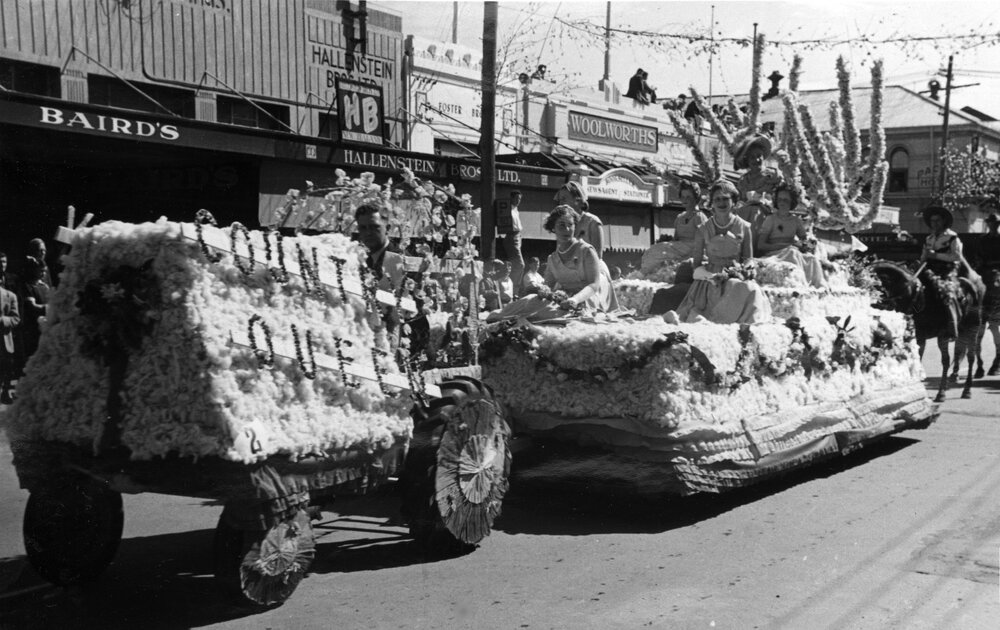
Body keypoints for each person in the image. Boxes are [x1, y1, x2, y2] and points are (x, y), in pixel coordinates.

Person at [486, 206, 619, 322]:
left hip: (587, 299)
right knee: (531, 300)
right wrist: (544, 291)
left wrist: (575, 300)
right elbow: (547, 287)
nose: (567, 229)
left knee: (551, 313)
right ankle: (502, 314)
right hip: (564, 299)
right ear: (553, 228)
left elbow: (593, 285)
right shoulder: (552, 258)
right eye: (561, 225)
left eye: (570, 225)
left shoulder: (586, 250)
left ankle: (515, 316)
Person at [666, 180, 772, 324]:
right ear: (712, 203)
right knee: (729, 289)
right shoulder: (703, 228)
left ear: (733, 201)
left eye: (725, 199)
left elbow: (748, 258)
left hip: (735, 272)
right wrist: (711, 277)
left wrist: (747, 269)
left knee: (747, 288)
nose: (721, 203)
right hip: (710, 278)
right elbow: (696, 265)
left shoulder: (745, 227)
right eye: (717, 199)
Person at [757, 183, 827, 288]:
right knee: (793, 253)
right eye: (779, 199)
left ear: (792, 202)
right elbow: (761, 245)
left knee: (812, 259)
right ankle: (800, 285)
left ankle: (817, 287)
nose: (782, 203)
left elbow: (804, 243)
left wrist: (808, 244)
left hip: (792, 251)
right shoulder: (771, 219)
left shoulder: (795, 220)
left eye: (786, 200)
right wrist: (786, 245)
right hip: (775, 254)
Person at [640, 180, 707, 275]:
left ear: (696, 198)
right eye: (683, 197)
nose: (685, 200)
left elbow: (705, 240)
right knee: (653, 250)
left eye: (688, 197)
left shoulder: (699, 217)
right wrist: (666, 240)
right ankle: (644, 273)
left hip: (693, 249)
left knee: (658, 251)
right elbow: (675, 240)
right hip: (679, 248)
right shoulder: (680, 218)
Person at [919, 206, 964, 339]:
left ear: (944, 221)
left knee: (946, 292)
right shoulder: (929, 239)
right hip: (930, 269)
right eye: (932, 221)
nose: (935, 224)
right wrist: (921, 261)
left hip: (947, 270)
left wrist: (935, 256)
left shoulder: (952, 237)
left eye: (937, 221)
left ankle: (952, 327)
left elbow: (957, 257)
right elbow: (924, 256)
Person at [734, 134, 783, 241]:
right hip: (746, 216)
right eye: (752, 157)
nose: (756, 160)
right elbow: (740, 201)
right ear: (747, 160)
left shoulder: (772, 174)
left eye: (759, 156)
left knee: (754, 211)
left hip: (768, 215)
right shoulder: (743, 180)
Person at [355, 204, 405, 292]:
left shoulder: (400, 259)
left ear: (388, 228)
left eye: (374, 227)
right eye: (363, 228)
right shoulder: (361, 260)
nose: (368, 233)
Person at [554, 181, 605, 259]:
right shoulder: (562, 224)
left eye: (564, 199)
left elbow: (597, 256)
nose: (561, 203)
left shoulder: (593, 222)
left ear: (577, 200)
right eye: (560, 200)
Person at [17, 256, 48, 370]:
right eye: (40, 271)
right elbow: (32, 307)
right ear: (34, 270)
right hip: (32, 329)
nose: (43, 274)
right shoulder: (27, 286)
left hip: (45, 327)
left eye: (44, 271)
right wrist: (50, 308)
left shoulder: (45, 287)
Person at [0, 266, 18, 404]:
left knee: (6, 367)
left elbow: (16, 318)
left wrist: (3, 320)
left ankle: (5, 392)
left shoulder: (10, 296)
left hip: (4, 338)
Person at [500, 190, 525, 288]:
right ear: (511, 198)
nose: (518, 200)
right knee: (520, 265)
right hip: (511, 236)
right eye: (516, 198)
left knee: (515, 265)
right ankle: (513, 287)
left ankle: (511, 287)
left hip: (518, 236)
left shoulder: (516, 209)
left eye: (520, 199)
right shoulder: (507, 209)